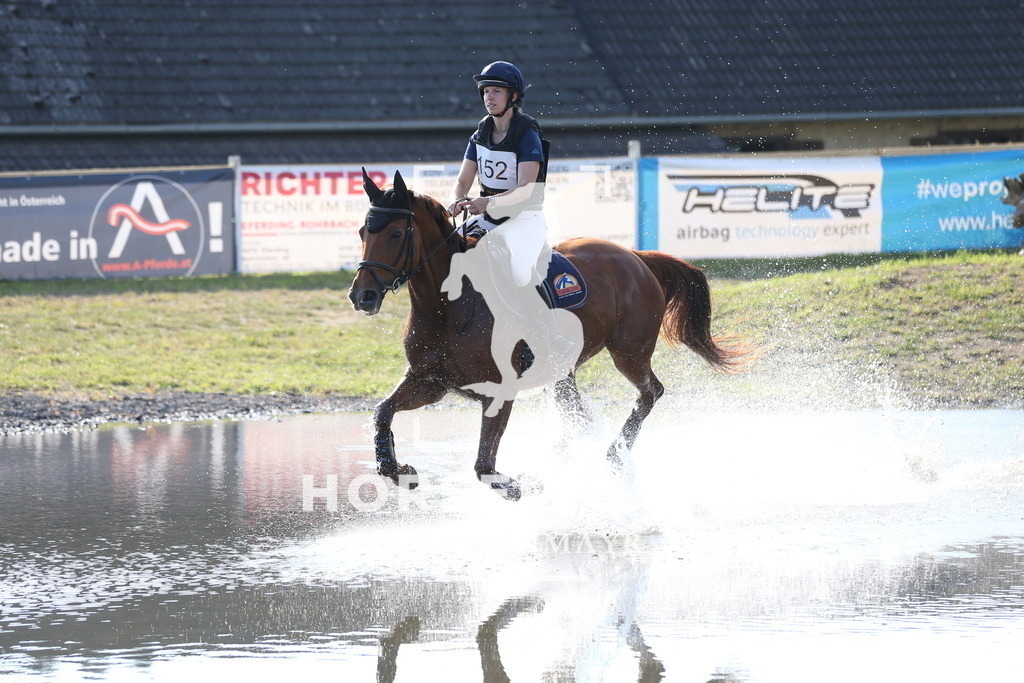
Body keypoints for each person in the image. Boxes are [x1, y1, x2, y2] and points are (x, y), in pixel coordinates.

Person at [447, 61, 551, 289]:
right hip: (489, 219)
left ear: (513, 95)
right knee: (446, 252)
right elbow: (463, 181)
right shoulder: (479, 134)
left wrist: (489, 202)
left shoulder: (526, 133)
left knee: (521, 274)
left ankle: (544, 323)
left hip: (523, 218)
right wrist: (456, 200)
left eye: (496, 91)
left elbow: (525, 189)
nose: (489, 97)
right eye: (485, 91)